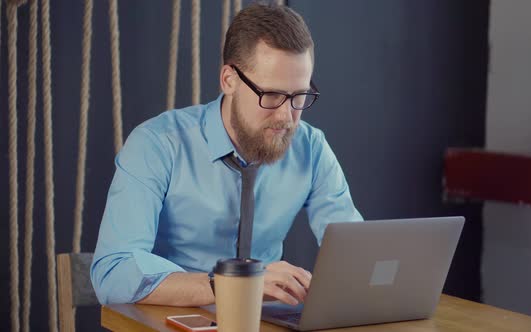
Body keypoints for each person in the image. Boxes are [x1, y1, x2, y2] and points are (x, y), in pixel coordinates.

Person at [90, 3, 363, 308]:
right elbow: (113, 274)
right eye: (271, 95)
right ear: (228, 80)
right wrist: (236, 285)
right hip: (172, 322)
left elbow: (355, 254)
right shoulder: (156, 144)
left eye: (299, 96)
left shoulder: (311, 148)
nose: (287, 116)